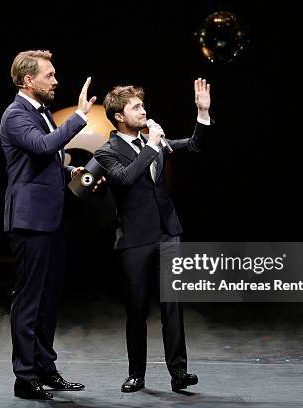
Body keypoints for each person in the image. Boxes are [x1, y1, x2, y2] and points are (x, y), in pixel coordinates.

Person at [93, 79, 213, 393]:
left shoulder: (155, 141)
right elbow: (125, 178)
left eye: (142, 105)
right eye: (136, 107)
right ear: (119, 116)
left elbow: (195, 145)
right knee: (137, 309)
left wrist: (202, 114)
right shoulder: (108, 151)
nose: (143, 110)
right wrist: (151, 146)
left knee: (173, 304)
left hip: (168, 233)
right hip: (134, 239)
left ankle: (179, 372)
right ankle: (137, 374)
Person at [0, 50, 98, 400]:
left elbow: (48, 159)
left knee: (48, 299)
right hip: (30, 221)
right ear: (28, 80)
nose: (56, 81)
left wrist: (71, 171)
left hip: (50, 219)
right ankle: (24, 378)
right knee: (29, 300)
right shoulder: (15, 115)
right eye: (50, 75)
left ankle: (45, 368)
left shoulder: (39, 113)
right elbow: (42, 147)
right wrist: (79, 116)